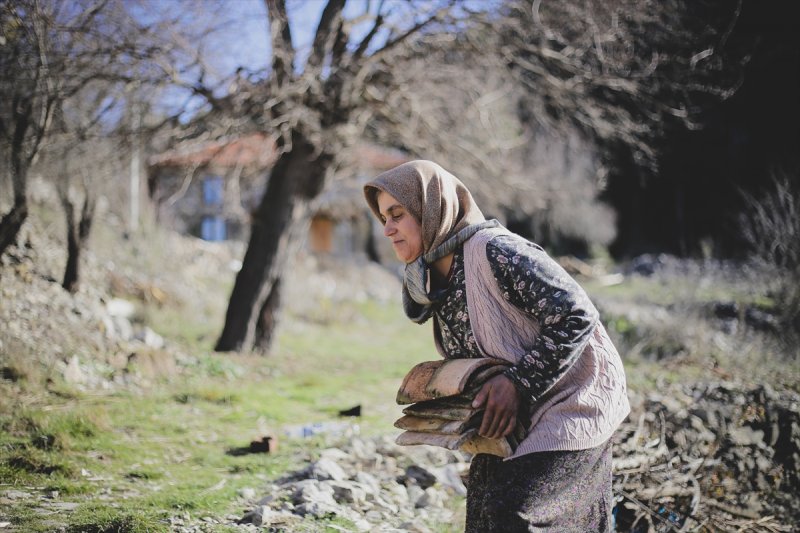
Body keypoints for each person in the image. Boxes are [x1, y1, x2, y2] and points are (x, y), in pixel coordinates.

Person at [363, 160, 630, 532]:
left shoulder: (495, 250)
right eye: (383, 218)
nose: (388, 228)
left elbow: (576, 314)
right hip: (509, 416)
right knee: (487, 519)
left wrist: (517, 383)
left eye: (397, 214)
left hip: (572, 401)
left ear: (431, 210)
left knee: (517, 516)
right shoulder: (428, 275)